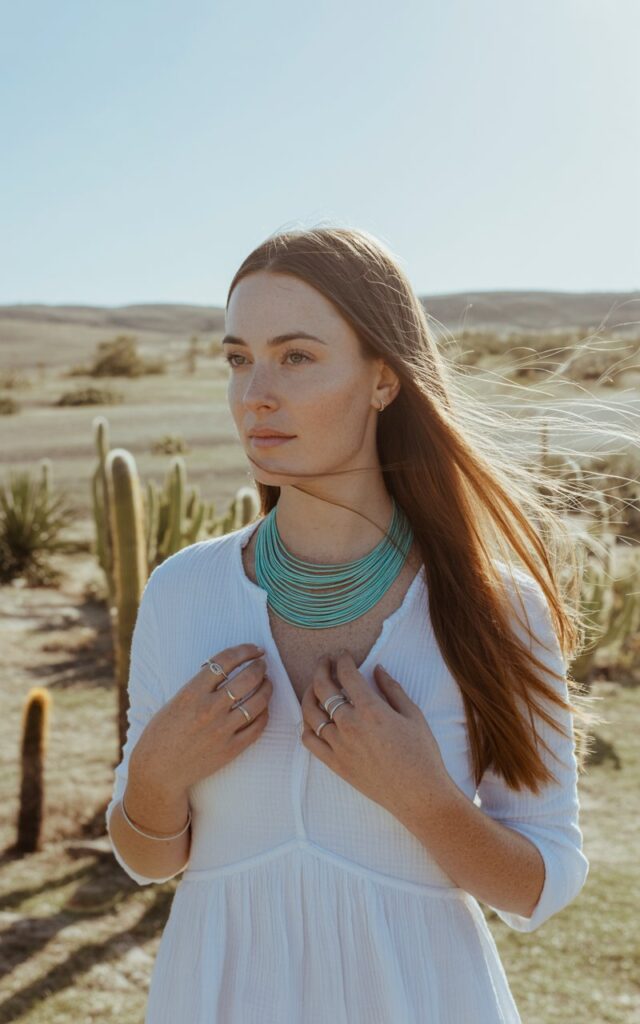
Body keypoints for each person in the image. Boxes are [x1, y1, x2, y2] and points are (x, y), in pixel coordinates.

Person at [106, 226, 596, 1023]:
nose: (254, 393)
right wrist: (156, 776)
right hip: (217, 997)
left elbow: (543, 884)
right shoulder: (181, 591)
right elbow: (148, 860)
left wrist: (425, 799)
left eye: (295, 357)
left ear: (382, 379)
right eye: (238, 358)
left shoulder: (496, 607)